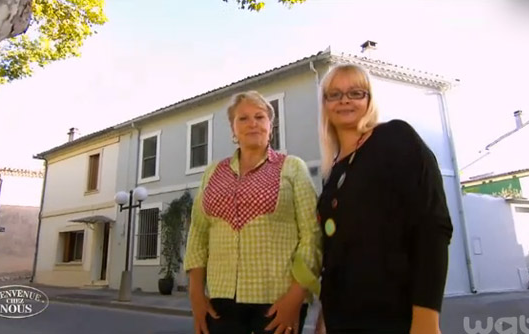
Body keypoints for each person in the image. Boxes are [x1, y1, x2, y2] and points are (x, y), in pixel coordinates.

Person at [314, 64, 453, 334]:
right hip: (341, 320)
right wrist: (323, 320)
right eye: (335, 94)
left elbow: (432, 226)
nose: (345, 100)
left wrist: (426, 319)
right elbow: (335, 256)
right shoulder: (332, 173)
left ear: (369, 100)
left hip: (395, 317)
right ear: (325, 104)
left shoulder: (394, 139)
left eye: (356, 92)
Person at [184, 90, 322, 334]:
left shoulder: (292, 168)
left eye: (260, 117)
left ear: (271, 125)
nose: (252, 124)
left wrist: (296, 296)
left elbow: (312, 235)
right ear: (233, 129)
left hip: (277, 303)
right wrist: (196, 294)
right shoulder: (213, 172)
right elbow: (198, 233)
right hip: (220, 303)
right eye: (243, 118)